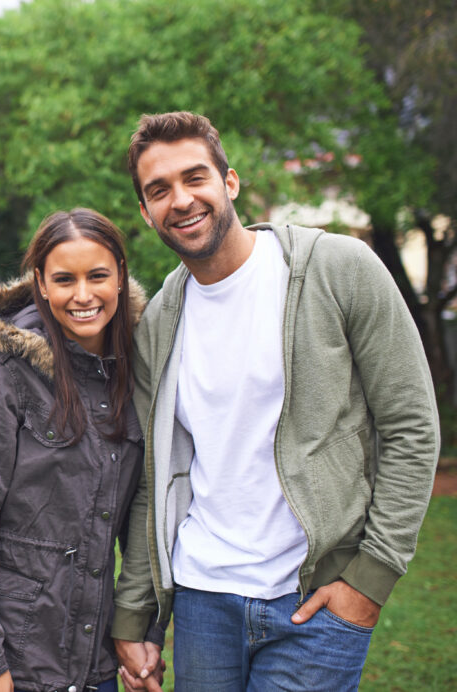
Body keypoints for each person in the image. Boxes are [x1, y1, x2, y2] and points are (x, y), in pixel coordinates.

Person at [112, 111, 440, 692]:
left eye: (196, 178)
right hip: (201, 600)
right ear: (145, 212)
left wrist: (372, 576)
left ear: (230, 181)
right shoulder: (159, 320)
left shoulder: (338, 270)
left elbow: (411, 426)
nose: (181, 200)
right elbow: (152, 479)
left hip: (316, 603)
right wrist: (137, 614)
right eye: (158, 190)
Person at [0, 208, 155, 692]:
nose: (83, 295)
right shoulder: (6, 376)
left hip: (93, 651)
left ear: (120, 276)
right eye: (64, 279)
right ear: (40, 282)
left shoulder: (139, 372)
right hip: (12, 654)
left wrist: (143, 632)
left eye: (97, 275)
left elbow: (144, 517)